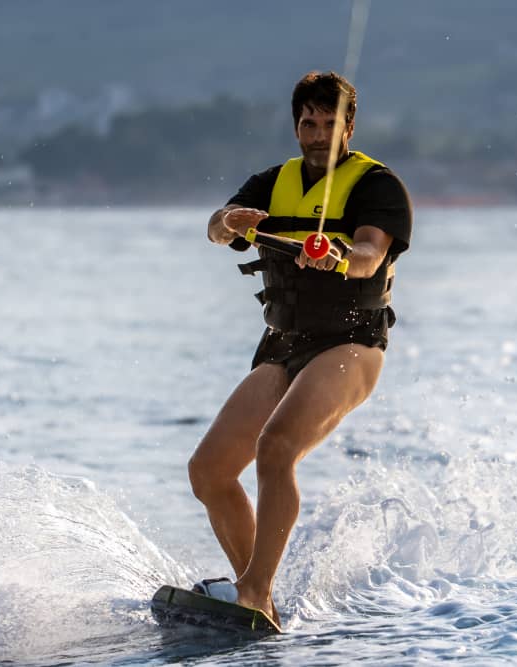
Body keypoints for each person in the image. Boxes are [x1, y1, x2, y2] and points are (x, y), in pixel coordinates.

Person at [187, 71, 412, 627]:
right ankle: (260, 601)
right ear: (296, 127)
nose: (318, 134)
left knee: (277, 446)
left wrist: (336, 256)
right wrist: (227, 222)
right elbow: (216, 227)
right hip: (285, 343)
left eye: (330, 123)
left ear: (349, 127)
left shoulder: (378, 186)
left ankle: (253, 591)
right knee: (209, 471)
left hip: (352, 343)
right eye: (309, 123)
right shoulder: (272, 182)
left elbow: (369, 254)